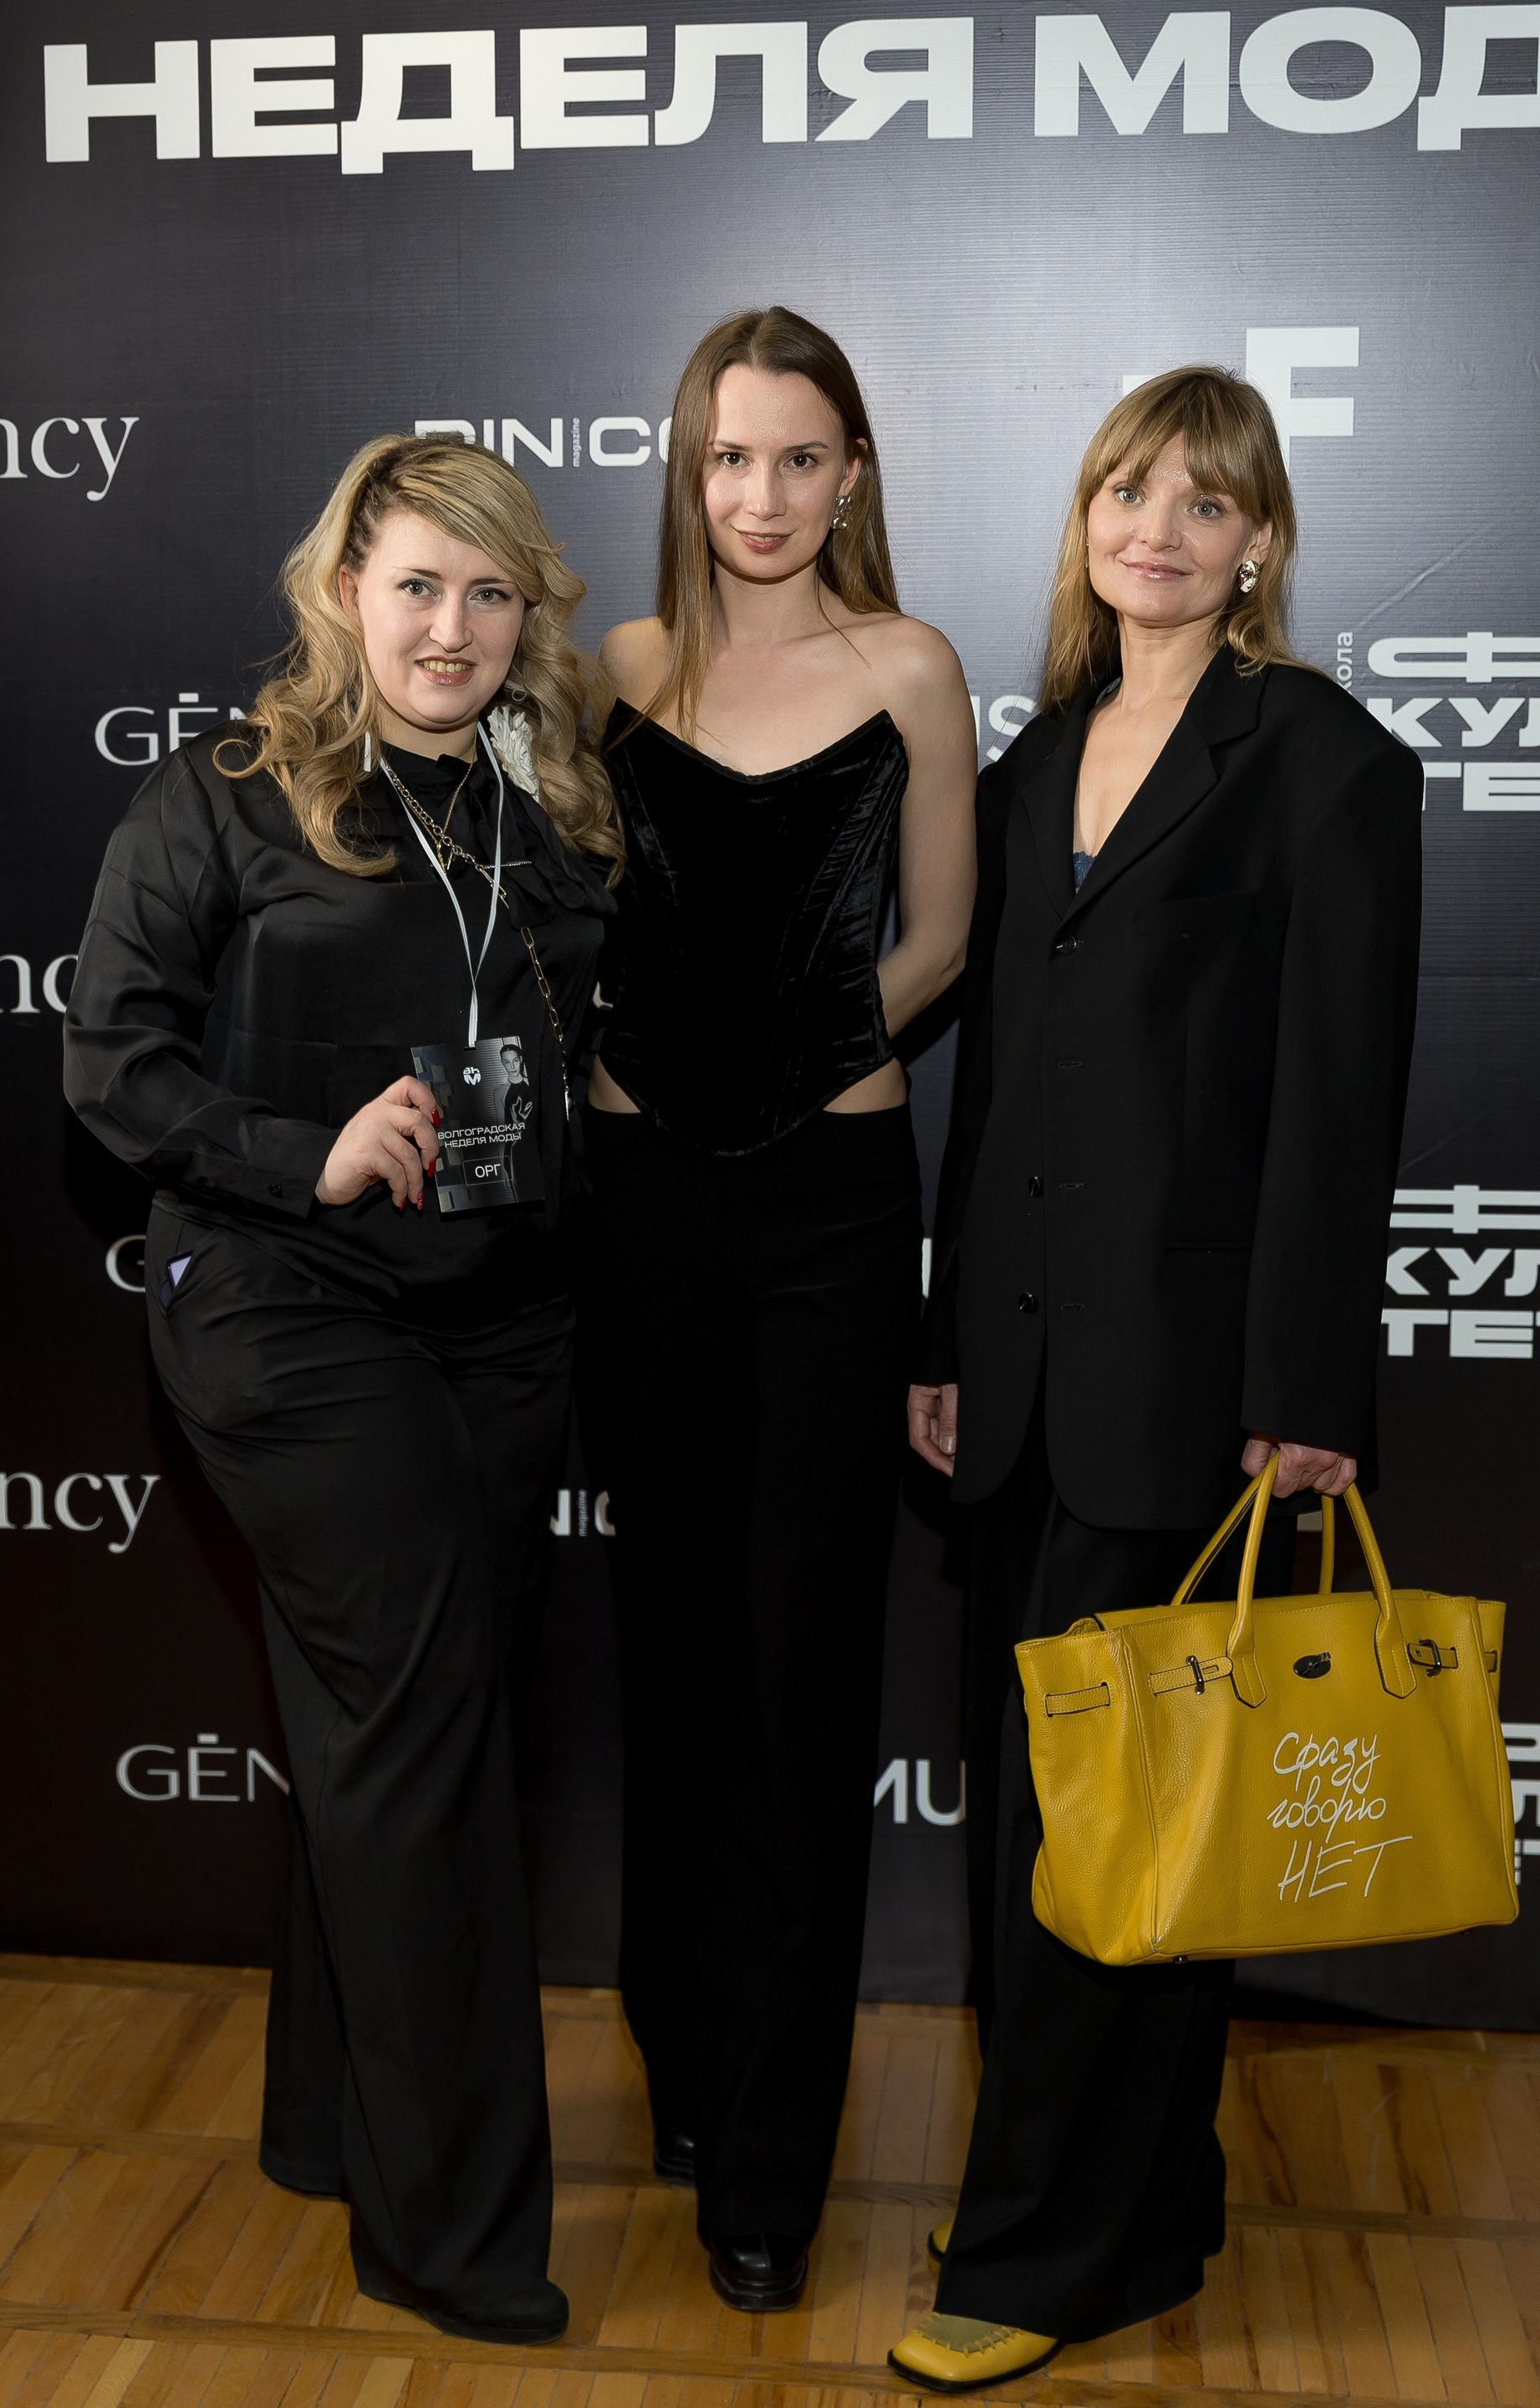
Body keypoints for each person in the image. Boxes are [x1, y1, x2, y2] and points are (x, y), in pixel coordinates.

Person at [890, 365, 1422, 2390]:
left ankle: (1043, 2257)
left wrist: (1310, 1392)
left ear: (1262, 539)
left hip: (1193, 1397)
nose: (1162, 531)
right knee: (1074, 1823)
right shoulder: (1037, 758)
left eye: (1209, 502)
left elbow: (1339, 1106)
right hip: (1018, 1387)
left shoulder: (1325, 763)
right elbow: (998, 1086)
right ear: (1087, 518)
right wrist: (944, 1334)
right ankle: (1143, 2207)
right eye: (1132, 491)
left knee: (1120, 1840)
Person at [64, 434, 620, 2344]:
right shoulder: (223, 795)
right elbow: (109, 1064)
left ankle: (327, 2125)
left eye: (488, 592)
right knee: (421, 1746)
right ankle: (453, 2234)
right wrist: (303, 1152)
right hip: (288, 1311)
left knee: (393, 1734)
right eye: (416, 586)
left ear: (526, 611)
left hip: (503, 1321)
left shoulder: (550, 811)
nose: (451, 628)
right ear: (343, 592)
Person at [584, 305, 978, 2312]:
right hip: (642, 1199)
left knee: (801, 1667)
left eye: (798, 457)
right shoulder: (618, 671)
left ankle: (771, 2158)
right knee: (672, 1646)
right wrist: (667, 1081)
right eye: (729, 456)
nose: (761, 495)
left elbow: (943, 938)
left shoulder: (910, 666)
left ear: (851, 474)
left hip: (830, 1200)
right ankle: (680, 2045)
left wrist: (786, 1061)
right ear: (689, 466)